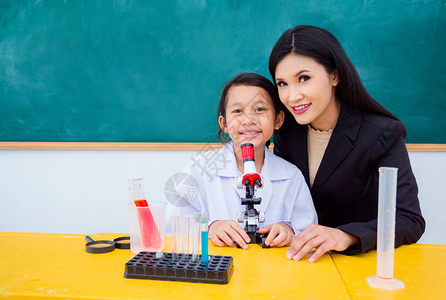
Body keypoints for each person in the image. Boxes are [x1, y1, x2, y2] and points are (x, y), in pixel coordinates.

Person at [268, 25, 425, 262]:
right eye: (282, 84)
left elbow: (408, 219)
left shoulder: (382, 133)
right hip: (296, 263)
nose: (292, 96)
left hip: (356, 266)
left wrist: (346, 236)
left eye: (303, 78)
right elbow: (282, 199)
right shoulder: (286, 131)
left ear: (335, 75)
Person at [166, 73, 317, 249]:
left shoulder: (291, 176)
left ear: (278, 119)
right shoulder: (198, 170)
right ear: (224, 123)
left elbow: (309, 233)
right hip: (218, 269)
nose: (248, 120)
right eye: (237, 111)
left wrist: (289, 231)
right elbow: (172, 229)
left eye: (259, 109)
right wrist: (210, 227)